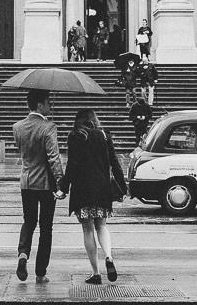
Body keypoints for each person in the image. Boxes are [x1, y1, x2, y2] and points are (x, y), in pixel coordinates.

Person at [59, 109, 127, 285]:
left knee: (88, 230)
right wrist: (123, 186)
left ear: (78, 121)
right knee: (102, 226)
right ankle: (109, 257)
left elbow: (72, 165)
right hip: (103, 188)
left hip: (82, 189)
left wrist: (63, 187)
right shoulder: (104, 135)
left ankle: (96, 273)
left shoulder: (75, 136)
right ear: (94, 120)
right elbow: (114, 161)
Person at [12, 89, 65, 283]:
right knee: (46, 227)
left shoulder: (17, 127)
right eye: (48, 102)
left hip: (26, 181)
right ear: (40, 105)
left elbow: (23, 152)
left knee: (29, 220)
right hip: (45, 184)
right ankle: (41, 272)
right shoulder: (48, 127)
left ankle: (23, 254)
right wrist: (61, 182)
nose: (50, 105)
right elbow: (53, 158)